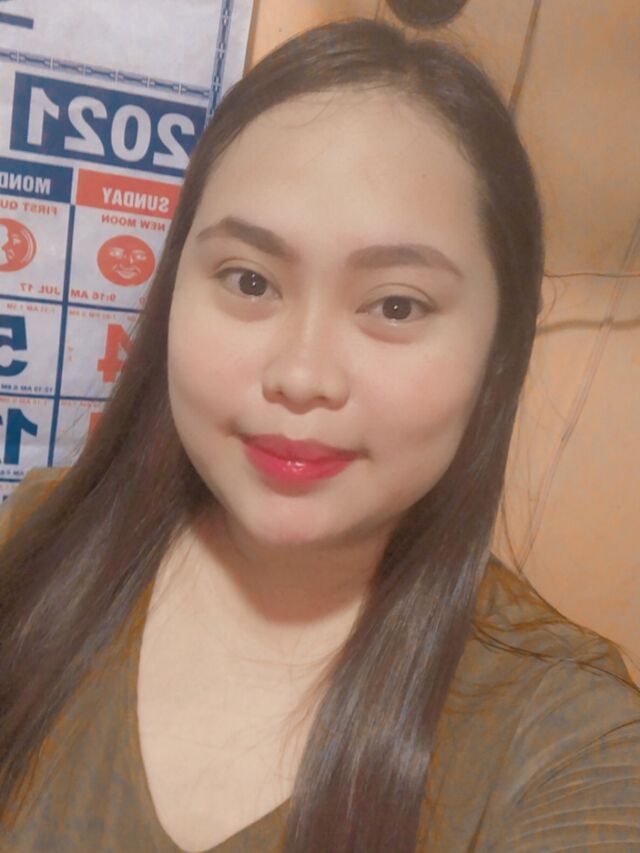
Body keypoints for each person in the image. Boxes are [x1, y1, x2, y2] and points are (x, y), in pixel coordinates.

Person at [0, 18, 639, 853]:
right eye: (249, 280)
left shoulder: (563, 734)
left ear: (497, 351)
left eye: (396, 304)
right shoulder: (43, 540)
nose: (301, 376)